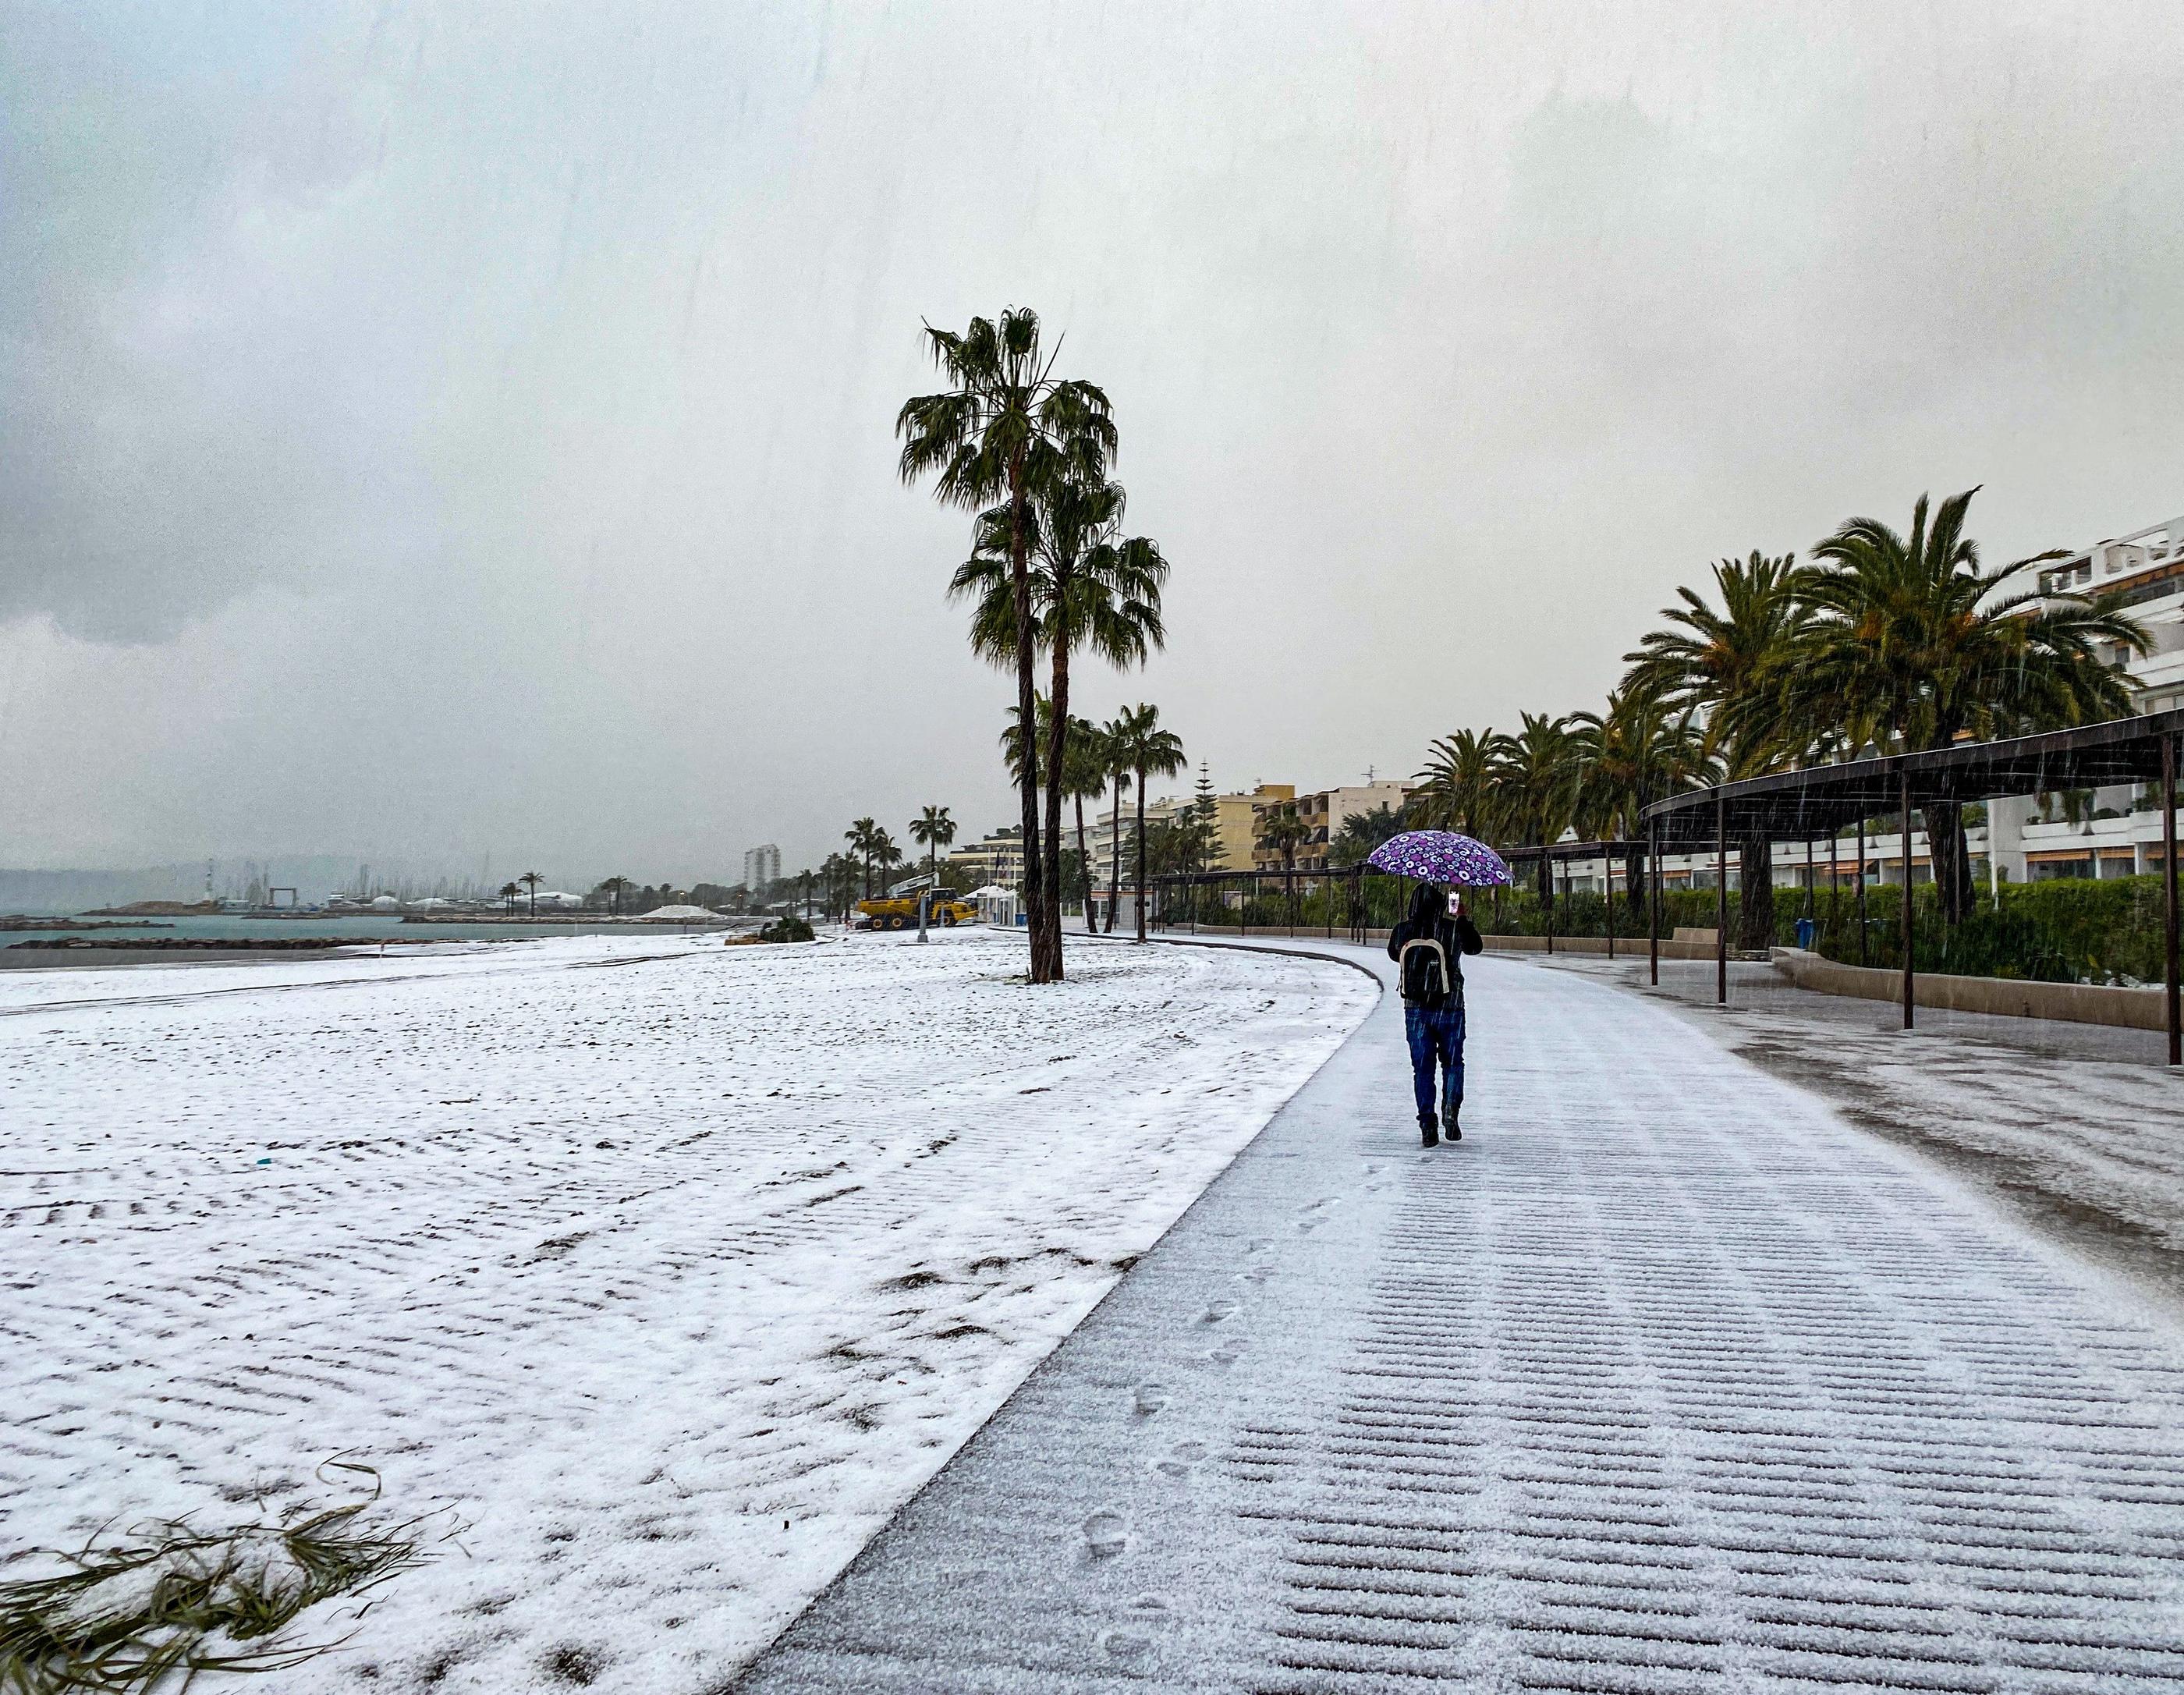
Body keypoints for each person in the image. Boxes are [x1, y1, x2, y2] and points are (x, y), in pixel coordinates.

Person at [1386, 881, 1483, 1147]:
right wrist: (1461, 917)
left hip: (1416, 1009)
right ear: (1441, 905)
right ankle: (1451, 1111)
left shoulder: (1402, 931)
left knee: (1423, 1069)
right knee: (1453, 1063)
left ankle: (1428, 1125)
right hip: (1450, 1006)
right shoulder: (1452, 929)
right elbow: (1475, 948)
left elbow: (1395, 955)